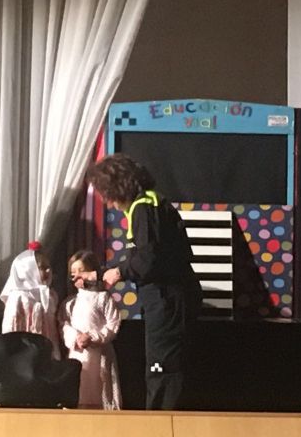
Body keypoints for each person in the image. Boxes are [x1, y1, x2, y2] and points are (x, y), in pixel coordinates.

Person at [83, 153, 202, 410]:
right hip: (166, 298)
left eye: (107, 194)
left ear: (118, 186)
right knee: (163, 365)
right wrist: (103, 273)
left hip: (167, 299)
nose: (107, 202)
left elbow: (148, 260)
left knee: (161, 368)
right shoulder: (148, 205)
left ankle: (160, 423)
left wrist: (119, 273)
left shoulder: (144, 208)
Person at [58, 249, 121, 409]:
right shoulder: (70, 302)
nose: (77, 276)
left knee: (101, 391)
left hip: (100, 355)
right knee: (80, 391)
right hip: (78, 355)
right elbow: (63, 324)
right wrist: (75, 338)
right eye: (73, 272)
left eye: (82, 271)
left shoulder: (103, 298)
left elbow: (113, 324)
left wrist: (92, 337)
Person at [0, 242, 60, 359]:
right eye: (42, 268)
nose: (48, 271)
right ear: (27, 270)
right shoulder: (18, 297)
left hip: (47, 351)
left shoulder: (50, 295)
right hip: (24, 355)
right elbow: (11, 330)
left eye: (48, 267)